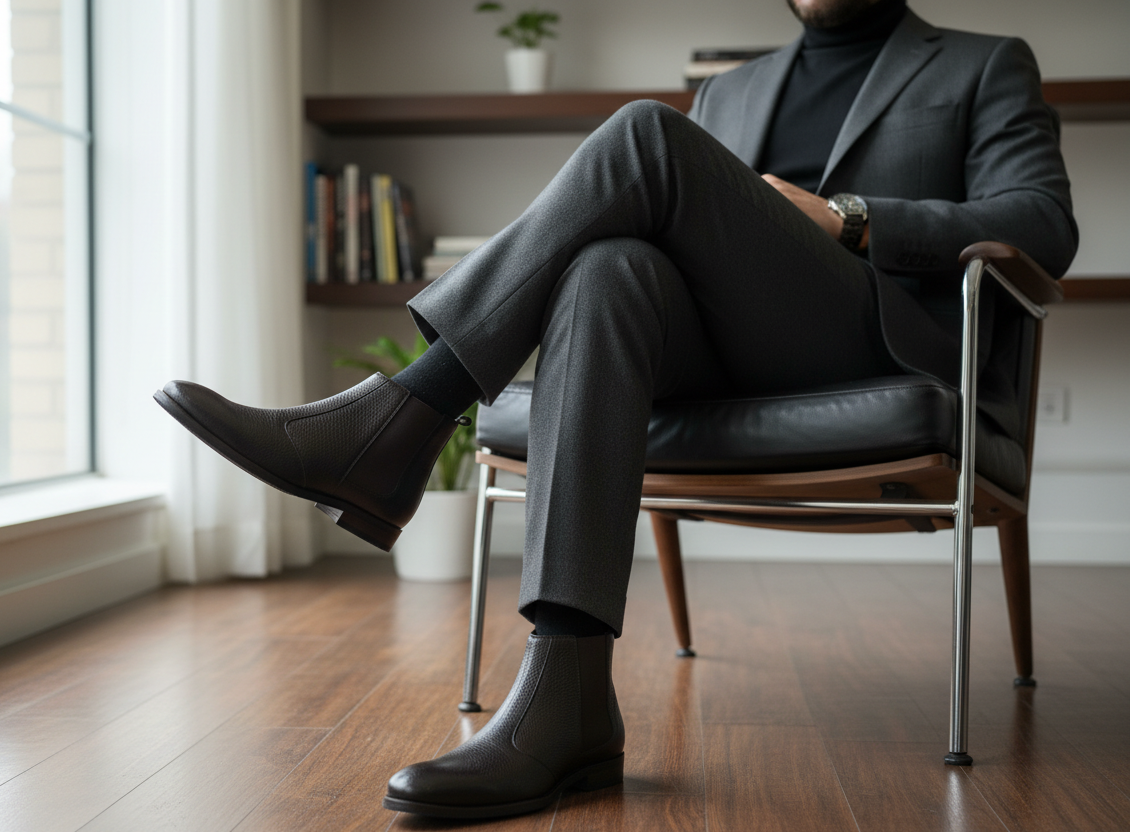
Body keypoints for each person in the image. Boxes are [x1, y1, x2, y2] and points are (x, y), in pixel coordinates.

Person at [155, 0, 1076, 820]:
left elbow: (1042, 221)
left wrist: (848, 215)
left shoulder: (982, 62)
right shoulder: (736, 89)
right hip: (724, 350)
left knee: (645, 131)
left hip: (869, 338)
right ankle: (571, 696)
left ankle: (402, 415)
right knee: (607, 271)